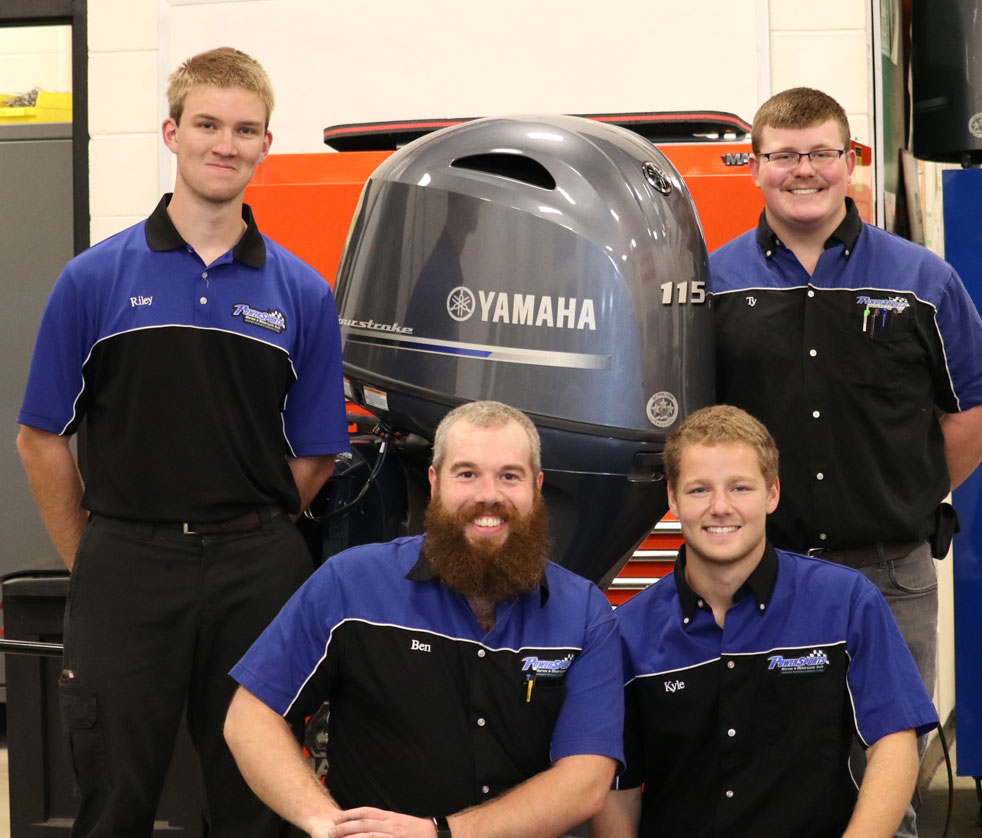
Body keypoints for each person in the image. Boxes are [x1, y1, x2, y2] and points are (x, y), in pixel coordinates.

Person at [16, 47, 348, 837]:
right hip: (127, 566)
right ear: (172, 132)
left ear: (267, 143)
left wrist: (249, 528)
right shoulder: (93, 280)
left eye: (245, 128)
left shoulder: (303, 292)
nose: (224, 143)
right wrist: (94, 554)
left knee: (254, 804)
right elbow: (39, 438)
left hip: (257, 574)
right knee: (113, 799)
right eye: (207, 123)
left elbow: (315, 453)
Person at [706, 88, 982, 836]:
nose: (802, 171)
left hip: (889, 573)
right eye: (783, 155)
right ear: (757, 166)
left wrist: (905, 490)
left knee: (885, 767)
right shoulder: (712, 284)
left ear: (850, 163)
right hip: (754, 573)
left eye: (820, 154)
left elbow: (980, 412)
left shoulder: (921, 280)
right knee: (761, 768)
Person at [224, 400, 623, 838]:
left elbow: (586, 781)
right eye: (466, 474)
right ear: (434, 482)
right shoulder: (350, 584)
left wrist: (442, 834)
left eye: (509, 476)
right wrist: (325, 823)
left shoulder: (584, 612)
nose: (488, 495)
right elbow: (250, 717)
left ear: (537, 487)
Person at [590, 405, 939, 838]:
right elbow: (617, 787)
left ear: (772, 494)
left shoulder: (845, 602)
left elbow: (894, 742)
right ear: (673, 499)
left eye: (740, 487)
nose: (720, 507)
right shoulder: (627, 631)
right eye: (699, 490)